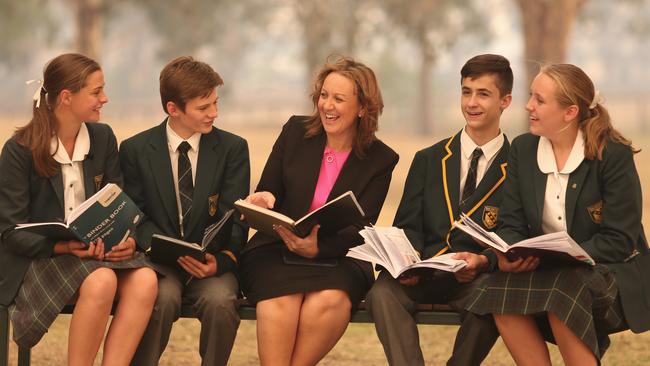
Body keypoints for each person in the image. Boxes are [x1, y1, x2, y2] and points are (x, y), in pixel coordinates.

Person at [465, 63, 650, 365]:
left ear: (570, 112)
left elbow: (619, 240)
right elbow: (511, 224)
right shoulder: (523, 150)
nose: (528, 106)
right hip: (550, 274)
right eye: (530, 97)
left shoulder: (612, 155)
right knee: (497, 287)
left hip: (613, 275)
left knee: (563, 287)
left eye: (539, 100)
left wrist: (562, 256)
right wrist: (509, 254)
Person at [238, 56, 399, 365]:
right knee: (280, 299)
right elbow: (269, 186)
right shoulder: (295, 131)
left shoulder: (381, 160)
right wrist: (264, 198)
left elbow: (361, 228)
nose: (327, 105)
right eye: (324, 95)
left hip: (338, 257)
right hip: (275, 248)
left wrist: (318, 249)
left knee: (328, 301)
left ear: (363, 108)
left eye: (339, 99)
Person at [0, 53, 158, 365]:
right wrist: (62, 245)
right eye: (96, 92)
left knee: (146, 281)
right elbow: (9, 232)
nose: (105, 98)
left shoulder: (103, 138)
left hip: (96, 255)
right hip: (42, 259)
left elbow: (119, 203)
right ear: (66, 97)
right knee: (102, 281)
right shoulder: (19, 150)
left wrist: (128, 240)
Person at [365, 54, 513, 365]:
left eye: (483, 94)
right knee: (382, 293)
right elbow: (407, 225)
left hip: (476, 282)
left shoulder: (518, 167)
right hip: (422, 276)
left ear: (506, 101)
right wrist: (408, 263)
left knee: (495, 297)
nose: (471, 102)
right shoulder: (428, 158)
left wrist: (483, 262)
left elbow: (517, 232)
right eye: (466, 91)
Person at [119, 56, 250, 366]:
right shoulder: (135, 150)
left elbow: (236, 215)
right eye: (203, 108)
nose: (214, 113)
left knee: (220, 302)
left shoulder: (233, 148)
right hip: (158, 264)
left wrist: (219, 262)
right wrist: (162, 248)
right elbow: (134, 214)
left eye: (215, 104)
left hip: (211, 263)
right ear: (173, 109)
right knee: (159, 300)